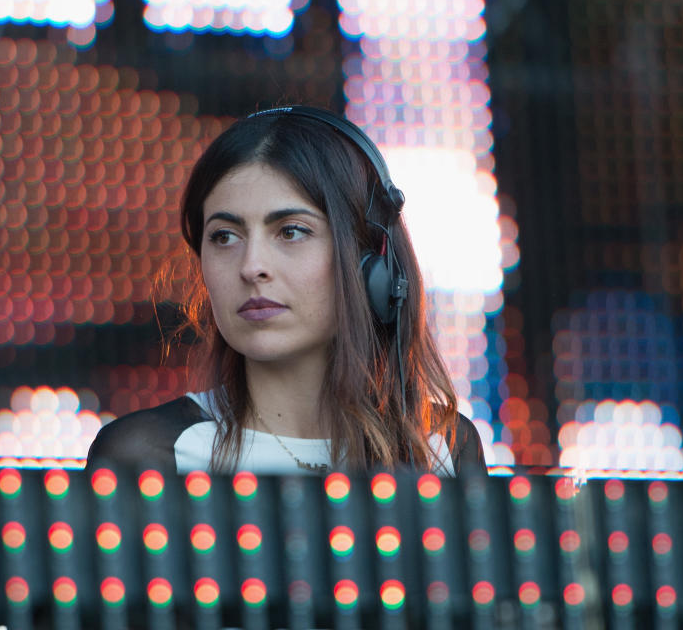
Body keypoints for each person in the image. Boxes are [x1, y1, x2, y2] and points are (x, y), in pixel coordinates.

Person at [87, 106, 486, 477]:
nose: (251, 266)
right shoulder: (146, 456)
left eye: (291, 231)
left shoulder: (442, 448)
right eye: (224, 236)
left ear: (372, 263)